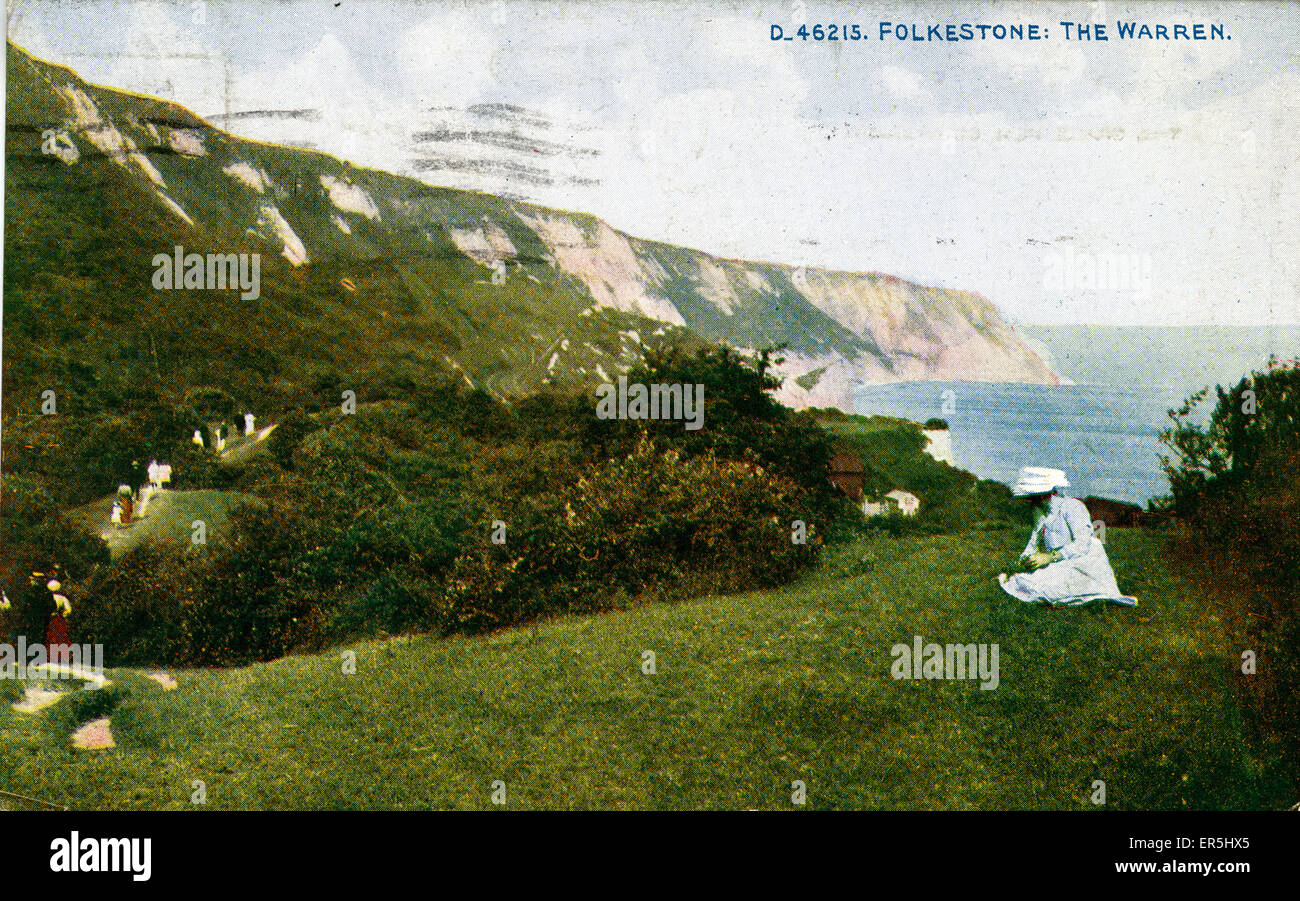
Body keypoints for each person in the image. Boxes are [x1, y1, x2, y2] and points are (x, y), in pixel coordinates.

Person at [998, 467, 1137, 607]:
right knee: (1025, 581)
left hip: (1085, 563)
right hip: (1062, 563)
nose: (1033, 502)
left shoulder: (1072, 506)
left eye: (1036, 496)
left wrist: (1049, 557)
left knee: (1044, 588)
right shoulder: (1041, 515)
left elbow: (1082, 544)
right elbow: (1033, 543)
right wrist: (1025, 559)